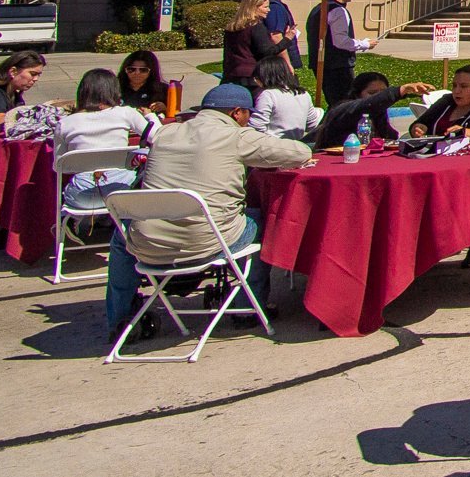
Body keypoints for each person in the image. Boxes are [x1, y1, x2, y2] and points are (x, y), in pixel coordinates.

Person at [103, 83, 311, 344]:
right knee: (261, 218)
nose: (249, 121)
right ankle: (248, 307)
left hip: (149, 245)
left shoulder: (164, 134)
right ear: (237, 113)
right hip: (209, 241)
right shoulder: (236, 137)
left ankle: (121, 318)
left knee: (122, 233)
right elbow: (300, 152)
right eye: (248, 115)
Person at [56, 68, 155, 210]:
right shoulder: (126, 113)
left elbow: (60, 166)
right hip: (122, 192)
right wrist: (151, 116)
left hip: (81, 196)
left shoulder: (65, 123)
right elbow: (157, 136)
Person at [308, 0, 371, 104]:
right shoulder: (338, 11)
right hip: (337, 66)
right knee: (344, 103)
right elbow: (341, 41)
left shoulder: (318, 8)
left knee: (335, 102)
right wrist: (365, 44)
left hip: (322, 63)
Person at [249, 55, 322, 139]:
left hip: (272, 145)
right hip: (297, 143)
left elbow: (256, 127)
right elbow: (312, 123)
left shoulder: (268, 95)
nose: (255, 80)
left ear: (266, 76)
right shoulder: (303, 93)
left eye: (257, 77)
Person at [217, 0, 278, 90]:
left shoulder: (232, 27)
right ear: (254, 7)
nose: (268, 10)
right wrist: (287, 39)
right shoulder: (256, 27)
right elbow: (267, 52)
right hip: (251, 77)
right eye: (265, 7)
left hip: (231, 74)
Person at [261, 0, 305, 72]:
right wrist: (287, 63)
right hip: (277, 64)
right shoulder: (274, 6)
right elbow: (276, 36)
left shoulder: (264, 0)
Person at [0, 50, 47, 125]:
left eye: (39, 75)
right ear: (13, 71)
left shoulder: (14, 94)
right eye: (33, 74)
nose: (36, 79)